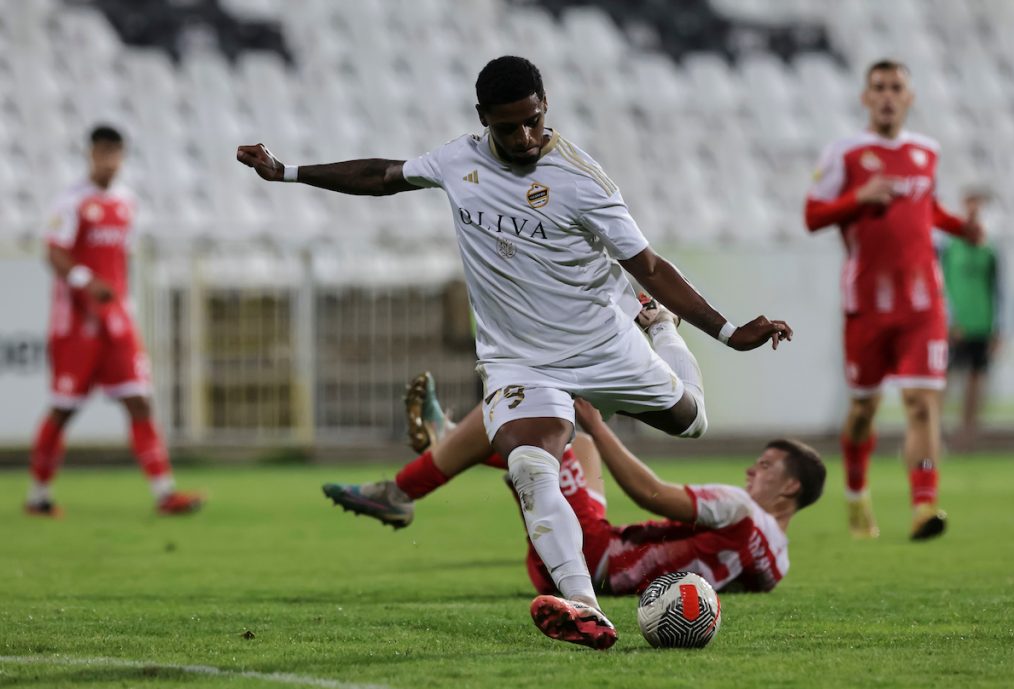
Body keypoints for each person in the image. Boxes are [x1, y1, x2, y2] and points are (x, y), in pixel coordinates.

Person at [238, 55, 793, 650]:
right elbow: (382, 175)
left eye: (533, 120)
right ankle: (584, 606)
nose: (525, 137)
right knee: (532, 467)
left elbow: (649, 266)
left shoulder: (583, 180)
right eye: (509, 127)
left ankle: (661, 334)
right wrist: (288, 172)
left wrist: (730, 332)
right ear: (484, 120)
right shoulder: (459, 160)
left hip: (604, 347)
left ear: (545, 105)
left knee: (691, 422)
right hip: (518, 360)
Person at [323, 372, 826, 596]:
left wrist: (602, 427)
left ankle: (410, 482)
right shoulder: (776, 563)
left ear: (789, 490)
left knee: (533, 416)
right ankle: (449, 445)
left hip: (587, 553)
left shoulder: (740, 508)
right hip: (603, 567)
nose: (749, 472)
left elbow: (651, 494)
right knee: (553, 453)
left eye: (764, 467)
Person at [804, 60, 982, 541]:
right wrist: (859, 198)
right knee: (863, 409)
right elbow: (812, 215)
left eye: (896, 88)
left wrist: (961, 228)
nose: (886, 95)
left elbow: (929, 209)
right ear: (866, 97)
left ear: (910, 97)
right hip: (866, 303)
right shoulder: (846, 153)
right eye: (878, 87)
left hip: (924, 302)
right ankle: (857, 492)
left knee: (922, 403)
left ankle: (925, 502)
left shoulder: (927, 152)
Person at [27, 125, 204, 517]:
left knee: (139, 401)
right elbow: (53, 252)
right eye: (103, 152)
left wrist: (124, 302)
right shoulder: (71, 202)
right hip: (76, 322)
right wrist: (86, 281)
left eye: (115, 152)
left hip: (117, 318)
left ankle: (165, 493)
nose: (109, 160)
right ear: (90, 154)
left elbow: (121, 259)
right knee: (65, 407)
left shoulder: (127, 203)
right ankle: (38, 496)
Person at [941, 189, 1001, 450]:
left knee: (976, 382)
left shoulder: (989, 250)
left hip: (982, 326)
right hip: (957, 326)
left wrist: (996, 328)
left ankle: (967, 435)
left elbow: (997, 291)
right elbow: (940, 287)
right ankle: (936, 432)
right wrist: (949, 321)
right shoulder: (950, 248)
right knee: (947, 380)